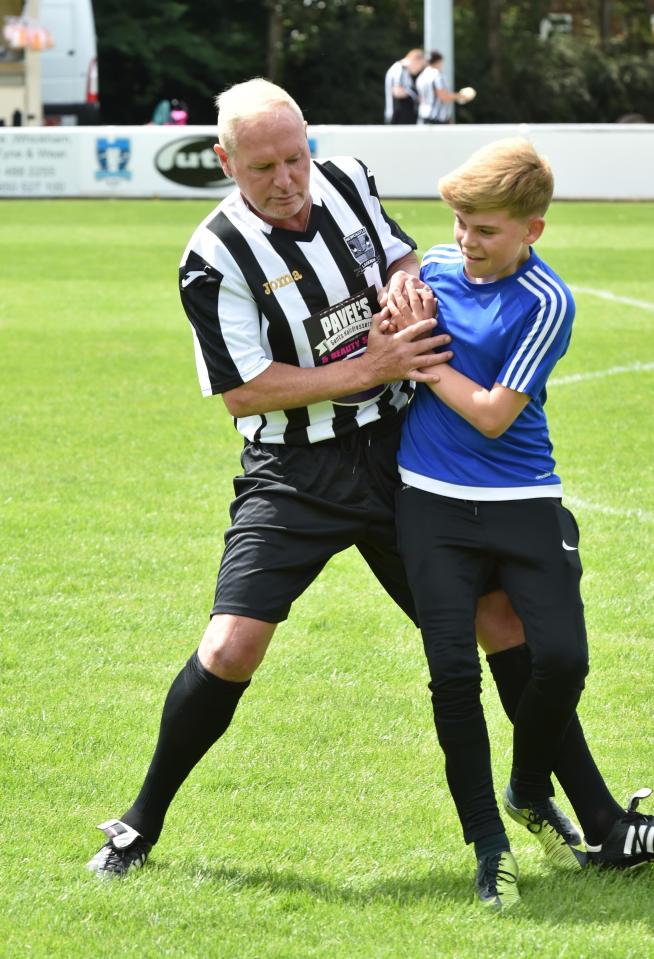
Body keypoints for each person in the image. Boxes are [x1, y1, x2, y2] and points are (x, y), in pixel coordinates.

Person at [389, 137, 654, 910]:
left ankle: (529, 784)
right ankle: (488, 846)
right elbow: (388, 315)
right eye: (461, 223)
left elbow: (495, 414)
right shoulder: (432, 269)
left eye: (486, 229)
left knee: (564, 659)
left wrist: (422, 361)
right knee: (453, 675)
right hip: (429, 503)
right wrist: (397, 323)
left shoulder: (547, 301)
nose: (467, 241)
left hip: (524, 496)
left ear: (531, 230)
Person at [416, 51, 468, 125]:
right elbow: (443, 96)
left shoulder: (421, 76)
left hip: (423, 116)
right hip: (437, 118)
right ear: (439, 61)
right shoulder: (437, 75)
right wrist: (461, 96)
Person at [384, 49, 425, 125]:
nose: (420, 69)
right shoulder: (400, 69)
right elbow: (397, 92)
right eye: (421, 65)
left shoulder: (404, 71)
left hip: (402, 115)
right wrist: (415, 95)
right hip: (399, 116)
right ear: (415, 60)